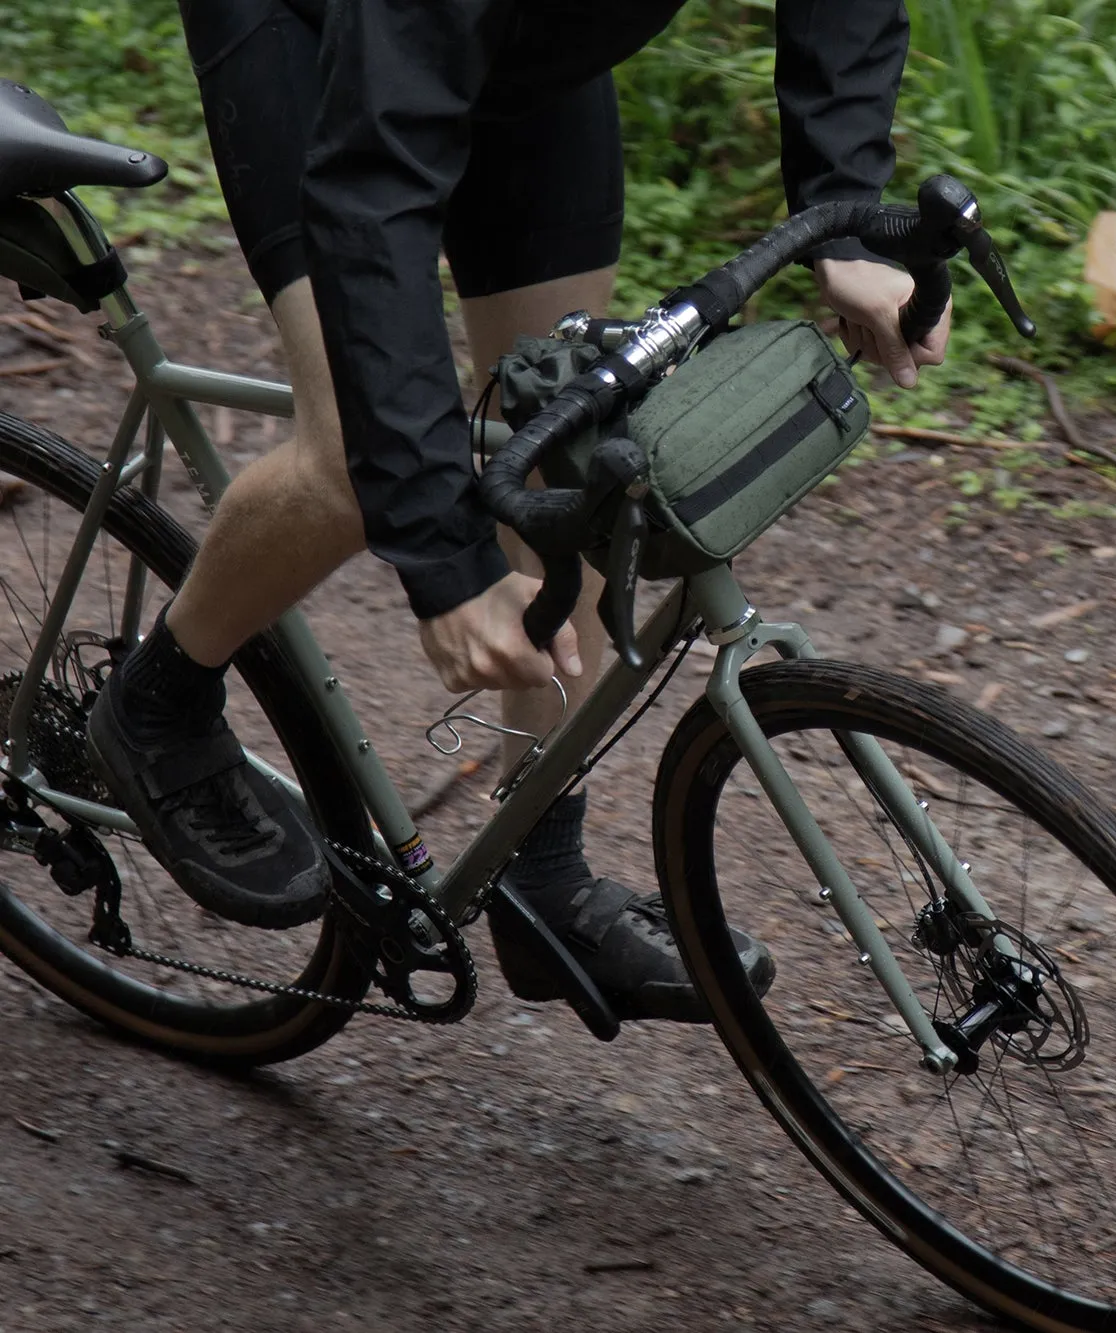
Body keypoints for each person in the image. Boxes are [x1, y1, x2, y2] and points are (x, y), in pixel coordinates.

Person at [86, 0, 949, 1019]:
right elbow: (373, 194)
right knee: (354, 466)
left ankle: (543, 880)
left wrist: (845, 211)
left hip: (521, 46)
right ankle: (159, 699)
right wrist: (447, 567)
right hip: (315, 34)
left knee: (569, 454)